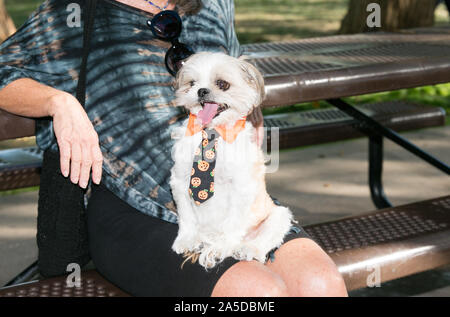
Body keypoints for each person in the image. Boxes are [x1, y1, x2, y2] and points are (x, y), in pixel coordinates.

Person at [0, 0, 347, 296]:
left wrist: (247, 114)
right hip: (132, 205)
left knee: (321, 283)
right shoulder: (72, 11)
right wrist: (58, 103)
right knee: (256, 292)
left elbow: (236, 71)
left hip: (230, 198)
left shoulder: (214, 5)